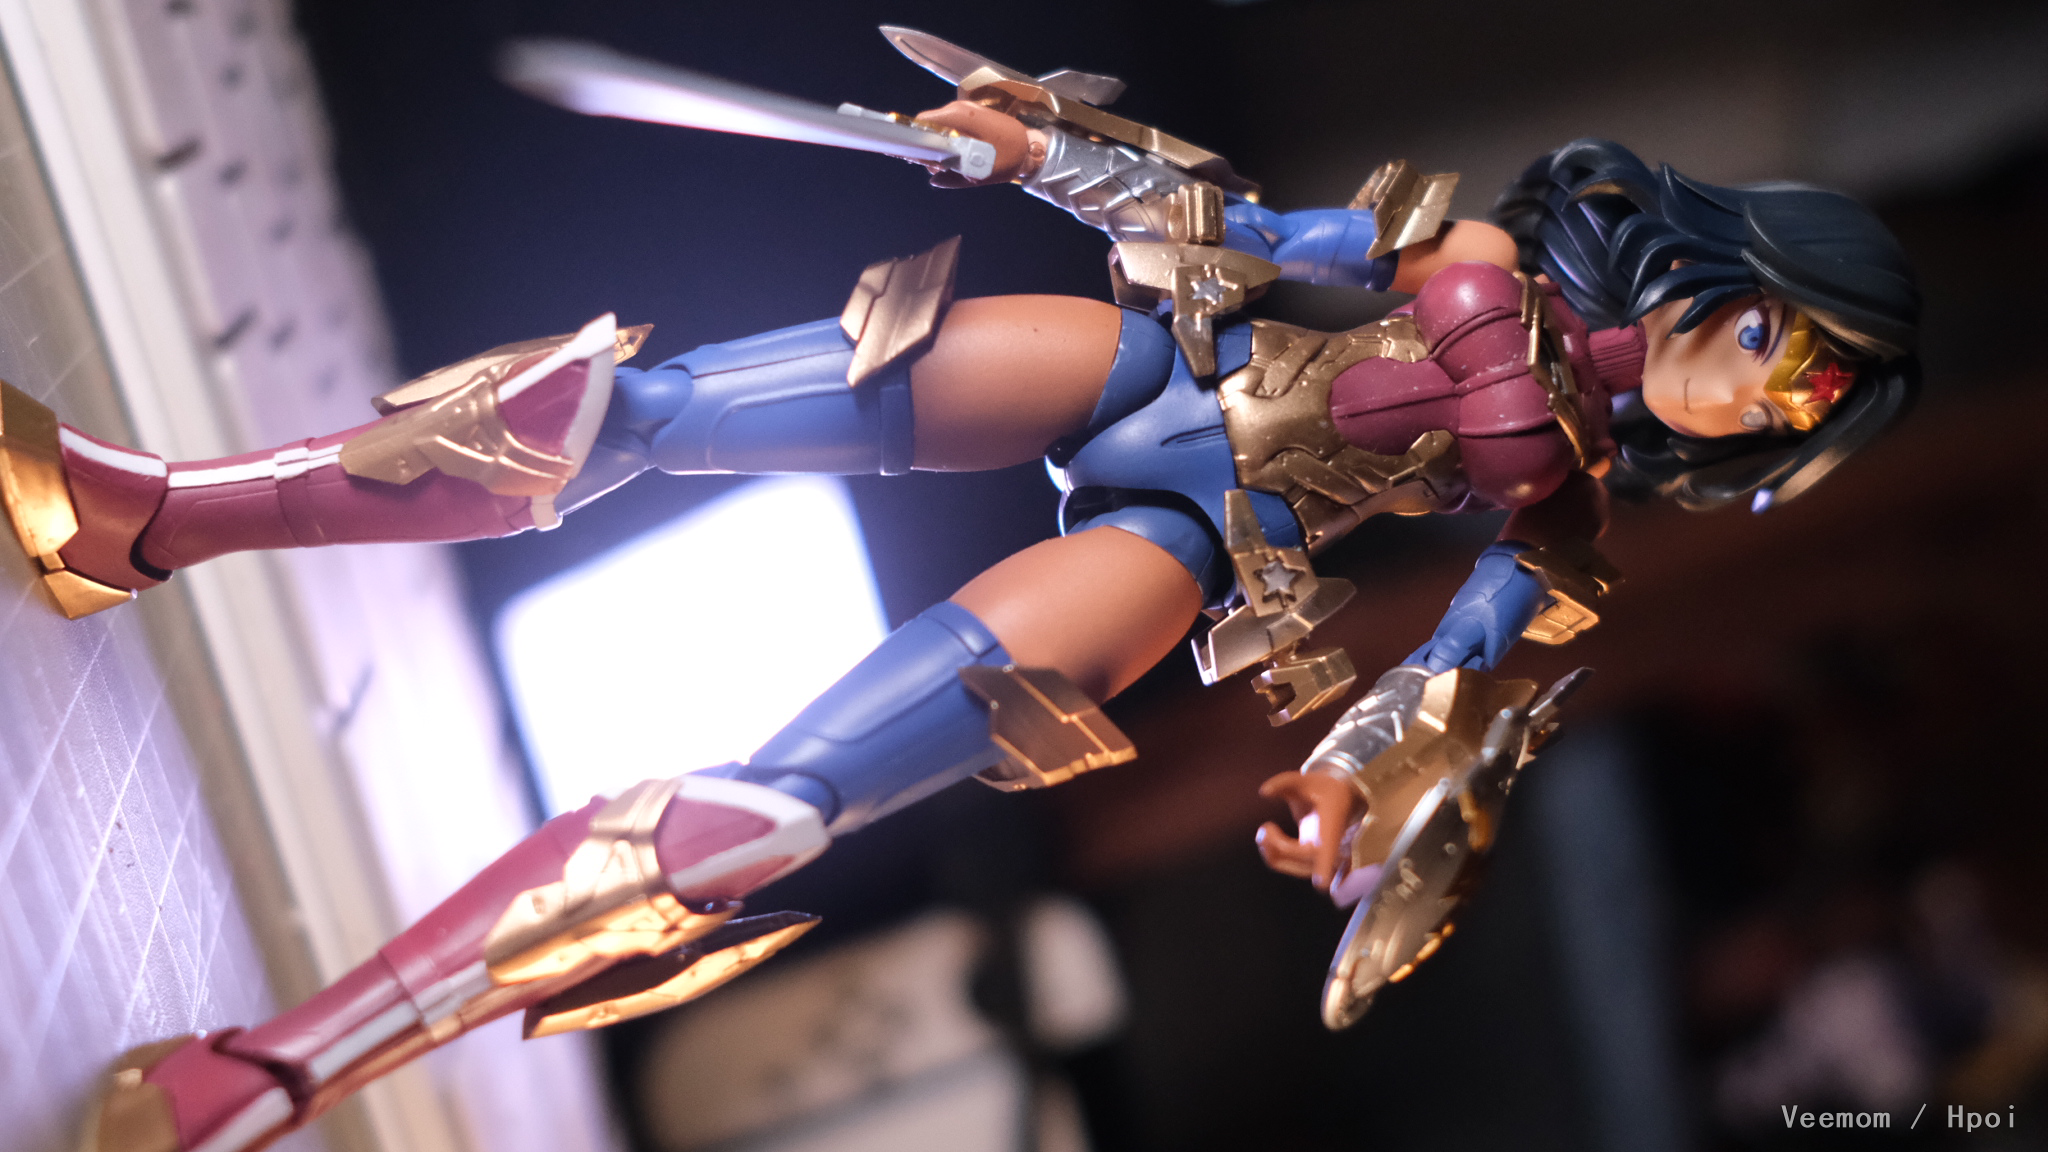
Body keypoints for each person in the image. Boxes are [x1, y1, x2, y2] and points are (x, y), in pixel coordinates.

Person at [13, 106, 1916, 1149]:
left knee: (773, 810)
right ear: (1722, 260)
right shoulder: (1473, 248)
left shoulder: (1562, 525)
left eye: (1802, 394)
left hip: (1203, 537)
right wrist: (1041, 153)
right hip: (1152, 363)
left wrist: (1354, 792)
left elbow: (1446, 682)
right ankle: (148, 517)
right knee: (624, 412)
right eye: (1774, 333)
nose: (1755, 384)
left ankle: (269, 1078)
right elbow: (1251, 232)